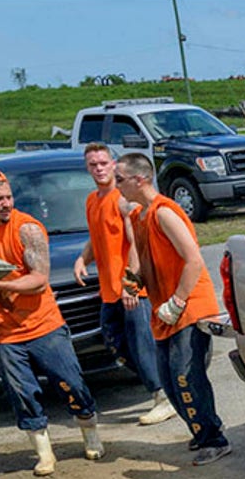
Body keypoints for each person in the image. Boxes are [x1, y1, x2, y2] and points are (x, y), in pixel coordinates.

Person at [0, 165, 102, 476]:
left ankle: (89, 432)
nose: (6, 203)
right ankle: (44, 453)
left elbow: (39, 280)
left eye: (9, 196)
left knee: (72, 383)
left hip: (44, 325)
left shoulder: (28, 229)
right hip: (5, 330)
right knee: (21, 392)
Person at [114, 152, 232, 465]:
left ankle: (214, 439)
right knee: (168, 380)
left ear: (140, 179)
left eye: (120, 180)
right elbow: (143, 263)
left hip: (188, 304)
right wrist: (131, 283)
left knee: (185, 375)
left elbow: (193, 260)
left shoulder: (165, 213)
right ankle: (203, 429)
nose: (116, 186)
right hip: (164, 309)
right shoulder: (140, 217)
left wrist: (178, 301)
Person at [73, 143, 174, 426]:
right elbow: (97, 236)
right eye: (93, 164)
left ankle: (162, 396)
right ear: (87, 167)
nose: (99, 168)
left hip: (130, 288)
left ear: (112, 163)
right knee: (114, 341)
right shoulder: (92, 200)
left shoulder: (121, 199)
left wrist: (131, 282)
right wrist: (83, 258)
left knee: (141, 343)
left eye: (103, 163)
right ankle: (162, 384)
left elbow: (135, 239)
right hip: (108, 289)